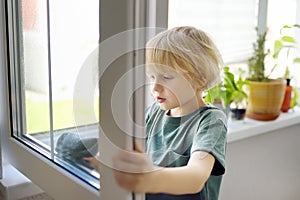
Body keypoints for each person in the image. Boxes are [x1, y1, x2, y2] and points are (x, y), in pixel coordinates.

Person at [85, 26, 227, 200]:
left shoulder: (210, 120)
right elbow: (127, 143)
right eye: (152, 77)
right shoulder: (154, 112)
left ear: (200, 78)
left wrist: (150, 178)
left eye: (166, 77)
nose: (154, 87)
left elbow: (196, 176)